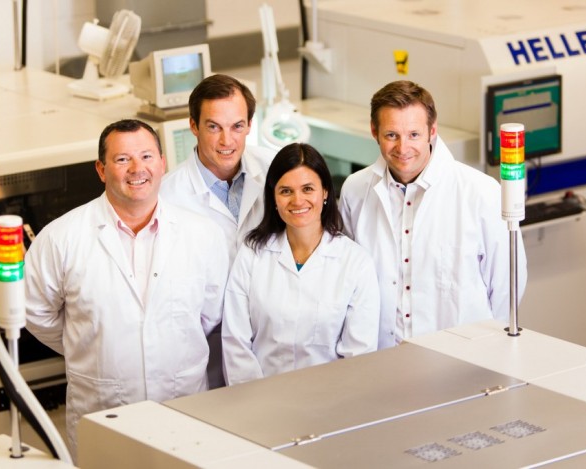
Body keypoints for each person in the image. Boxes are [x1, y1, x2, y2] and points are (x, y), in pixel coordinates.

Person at [24, 119, 229, 459]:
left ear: (163, 163)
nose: (138, 169)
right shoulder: (62, 238)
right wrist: (92, 343)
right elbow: (35, 310)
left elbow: (209, 313)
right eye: (122, 160)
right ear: (101, 170)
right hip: (103, 413)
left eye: (147, 156)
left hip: (184, 410)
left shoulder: (202, 235)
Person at [339, 80, 528, 350]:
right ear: (374, 131)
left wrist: (485, 346)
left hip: (463, 358)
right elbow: (351, 280)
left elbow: (508, 287)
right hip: (381, 357)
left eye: (414, 134)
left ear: (433, 130)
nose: (403, 148)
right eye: (392, 135)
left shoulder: (481, 193)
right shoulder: (355, 191)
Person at [222, 143, 380, 385]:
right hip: (259, 402)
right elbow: (236, 343)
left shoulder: (355, 263)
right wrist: (254, 402)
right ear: (273, 197)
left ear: (325, 192)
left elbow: (358, 355)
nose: (298, 200)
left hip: (330, 403)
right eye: (286, 191)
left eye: (308, 189)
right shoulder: (252, 254)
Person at [160, 73, 275, 388]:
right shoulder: (166, 197)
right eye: (214, 127)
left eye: (237, 126)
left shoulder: (276, 173)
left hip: (268, 333)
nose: (227, 141)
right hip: (202, 341)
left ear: (250, 124)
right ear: (194, 126)